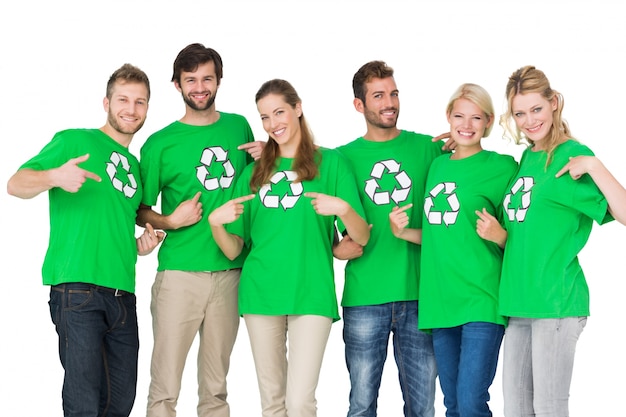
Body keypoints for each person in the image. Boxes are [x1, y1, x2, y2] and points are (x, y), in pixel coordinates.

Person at [6, 63, 164, 417]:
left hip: (123, 295)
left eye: (140, 102)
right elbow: (15, 184)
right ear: (106, 103)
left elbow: (117, 220)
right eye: (123, 99)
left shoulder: (135, 166)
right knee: (84, 402)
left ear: (147, 109)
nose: (131, 109)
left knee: (120, 402)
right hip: (77, 291)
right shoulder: (74, 140)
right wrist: (54, 175)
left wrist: (137, 246)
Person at [208, 79, 370, 417]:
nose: (273, 124)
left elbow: (362, 237)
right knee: (273, 403)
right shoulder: (254, 174)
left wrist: (343, 209)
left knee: (300, 403)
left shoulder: (332, 163)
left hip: (311, 292)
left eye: (279, 112)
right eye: (265, 117)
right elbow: (233, 250)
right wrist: (215, 224)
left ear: (298, 108)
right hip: (260, 294)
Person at [480, 65, 626, 417]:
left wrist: (594, 165)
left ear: (554, 103)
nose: (529, 120)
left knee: (548, 408)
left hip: (556, 303)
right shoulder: (527, 159)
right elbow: (524, 236)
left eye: (536, 109)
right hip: (518, 303)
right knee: (515, 409)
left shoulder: (571, 157)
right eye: (520, 113)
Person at [136, 43, 263, 417]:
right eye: (190, 79)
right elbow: (140, 209)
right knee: (165, 389)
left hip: (230, 274)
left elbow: (252, 189)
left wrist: (267, 155)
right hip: (179, 275)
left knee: (216, 391)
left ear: (219, 81)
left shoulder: (238, 126)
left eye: (207, 78)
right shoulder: (159, 144)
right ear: (177, 85)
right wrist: (169, 221)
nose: (200, 86)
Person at [333, 60, 443, 417]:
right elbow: (327, 229)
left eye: (393, 93)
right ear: (359, 105)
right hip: (365, 297)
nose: (389, 102)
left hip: (420, 296)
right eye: (378, 95)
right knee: (362, 404)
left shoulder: (427, 148)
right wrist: (337, 247)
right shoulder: (342, 158)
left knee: (422, 406)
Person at [413, 83, 518, 417]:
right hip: (440, 302)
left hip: (481, 300)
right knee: (453, 404)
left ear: (488, 121)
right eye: (459, 116)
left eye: (476, 118)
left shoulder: (503, 167)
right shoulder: (437, 166)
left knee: (472, 402)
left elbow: (521, 235)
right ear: (448, 117)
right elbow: (439, 235)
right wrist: (402, 232)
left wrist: (500, 235)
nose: (467, 125)